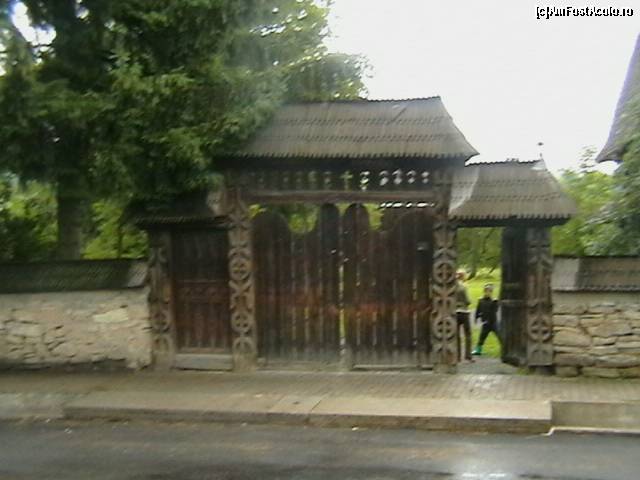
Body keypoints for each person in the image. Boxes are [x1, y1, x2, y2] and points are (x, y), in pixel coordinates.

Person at [472, 283, 500, 356]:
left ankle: (505, 349)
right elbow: (478, 310)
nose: (488, 293)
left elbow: (495, 310)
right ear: (484, 291)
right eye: (486, 291)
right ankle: (478, 350)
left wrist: (496, 303)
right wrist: (476, 318)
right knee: (482, 337)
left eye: (489, 291)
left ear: (491, 292)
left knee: (499, 335)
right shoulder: (481, 300)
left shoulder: (493, 301)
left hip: (493, 322)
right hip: (485, 323)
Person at [455, 270, 473, 362]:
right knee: (468, 334)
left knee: (457, 335)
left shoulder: (453, 287)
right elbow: (467, 300)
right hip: (464, 311)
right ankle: (468, 355)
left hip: (455, 312)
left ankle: (458, 356)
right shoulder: (463, 286)